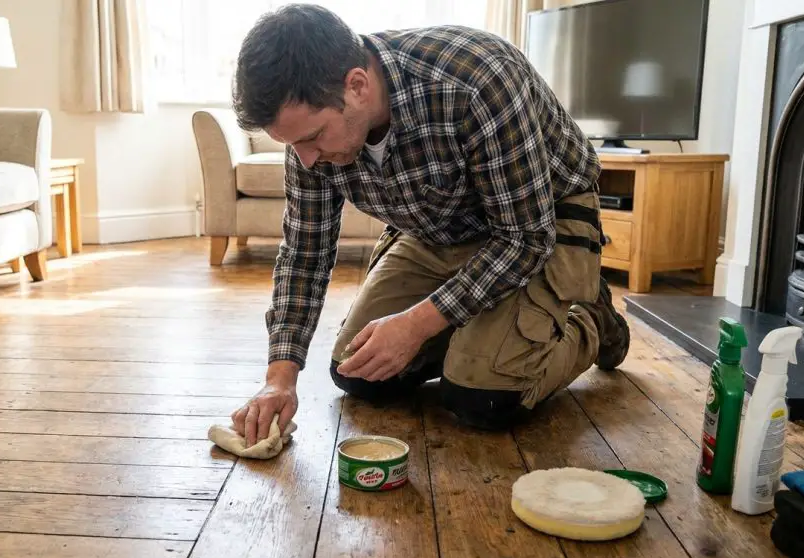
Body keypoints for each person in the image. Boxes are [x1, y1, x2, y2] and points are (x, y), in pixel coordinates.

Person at [228, 4, 631, 447]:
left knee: (482, 397)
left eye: (311, 138)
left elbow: (525, 237)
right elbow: (304, 253)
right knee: (359, 372)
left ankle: (588, 311)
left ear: (357, 86)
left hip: (538, 222)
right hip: (436, 227)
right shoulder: (311, 129)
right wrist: (279, 378)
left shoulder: (479, 80)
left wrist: (417, 325)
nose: (304, 159)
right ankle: (479, 331)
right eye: (292, 144)